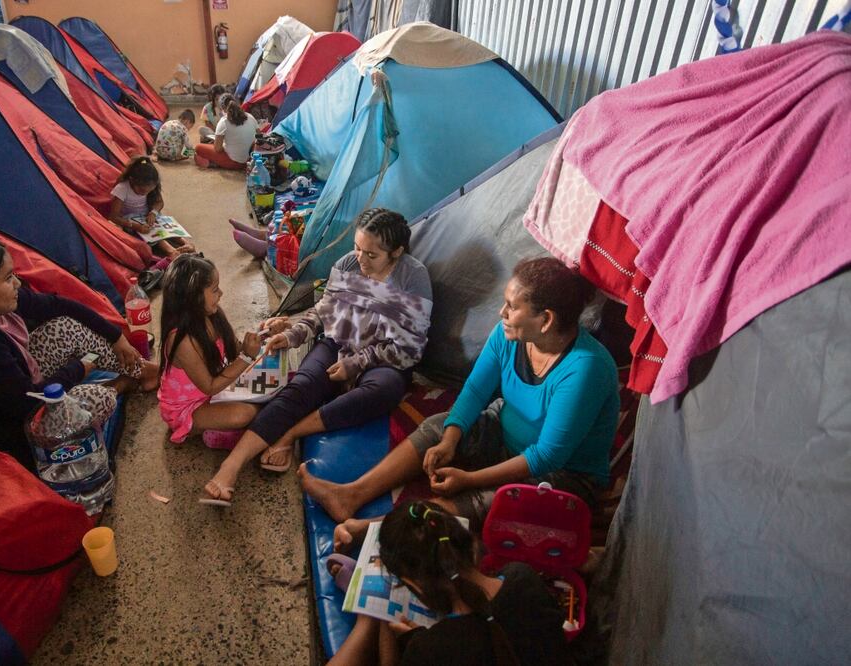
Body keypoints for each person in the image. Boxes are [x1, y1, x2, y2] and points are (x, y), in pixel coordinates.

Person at [300, 257, 620, 530]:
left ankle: (372, 529)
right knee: (440, 427)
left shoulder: (585, 369)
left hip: (562, 475)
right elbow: (476, 390)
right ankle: (352, 494)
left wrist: (471, 479)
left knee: (492, 502)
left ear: (546, 320)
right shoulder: (508, 335)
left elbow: (546, 456)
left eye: (511, 306)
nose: (501, 312)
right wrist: (450, 440)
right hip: (505, 438)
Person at [201, 208, 433, 505]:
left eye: (372, 255)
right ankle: (230, 468)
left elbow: (411, 347)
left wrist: (357, 363)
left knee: (383, 390)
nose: (360, 260)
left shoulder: (412, 278)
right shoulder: (348, 264)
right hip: (339, 341)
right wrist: (293, 334)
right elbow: (324, 313)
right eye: (357, 248)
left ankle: (291, 434)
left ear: (397, 252)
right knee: (302, 387)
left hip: (383, 360)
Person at [0, 234, 159, 472]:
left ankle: (143, 371)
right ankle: (118, 386)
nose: (18, 283)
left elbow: (60, 305)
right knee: (96, 398)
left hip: (18, 378)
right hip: (12, 426)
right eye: (8, 278)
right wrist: (77, 370)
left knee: (64, 327)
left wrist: (117, 338)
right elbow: (27, 403)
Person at [327, 501, 574, 666]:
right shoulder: (523, 578)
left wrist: (395, 636)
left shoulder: (429, 651)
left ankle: (368, 618)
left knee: (373, 623)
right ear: (473, 545)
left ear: (414, 584)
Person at [157, 254, 263, 448]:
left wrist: (264, 333)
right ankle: (201, 430)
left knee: (264, 395)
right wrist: (247, 357)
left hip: (212, 394)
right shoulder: (182, 340)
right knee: (245, 414)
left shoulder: (211, 314)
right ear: (194, 297)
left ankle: (222, 429)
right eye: (215, 290)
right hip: (188, 407)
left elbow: (235, 349)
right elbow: (210, 386)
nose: (221, 293)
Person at [108, 156, 193, 258]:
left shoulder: (151, 185)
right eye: (142, 191)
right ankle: (171, 251)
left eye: (149, 190)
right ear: (131, 180)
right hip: (129, 220)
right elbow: (113, 216)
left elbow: (159, 202)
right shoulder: (122, 188)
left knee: (164, 227)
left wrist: (153, 212)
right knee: (153, 233)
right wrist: (135, 226)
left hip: (147, 215)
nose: (145, 193)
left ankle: (185, 243)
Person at [194, 93, 257, 170]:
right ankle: (215, 163)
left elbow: (218, 149)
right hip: (250, 161)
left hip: (233, 162)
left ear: (222, 109)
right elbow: (259, 136)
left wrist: (223, 144)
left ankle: (215, 163)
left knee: (198, 148)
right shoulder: (250, 117)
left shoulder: (224, 121)